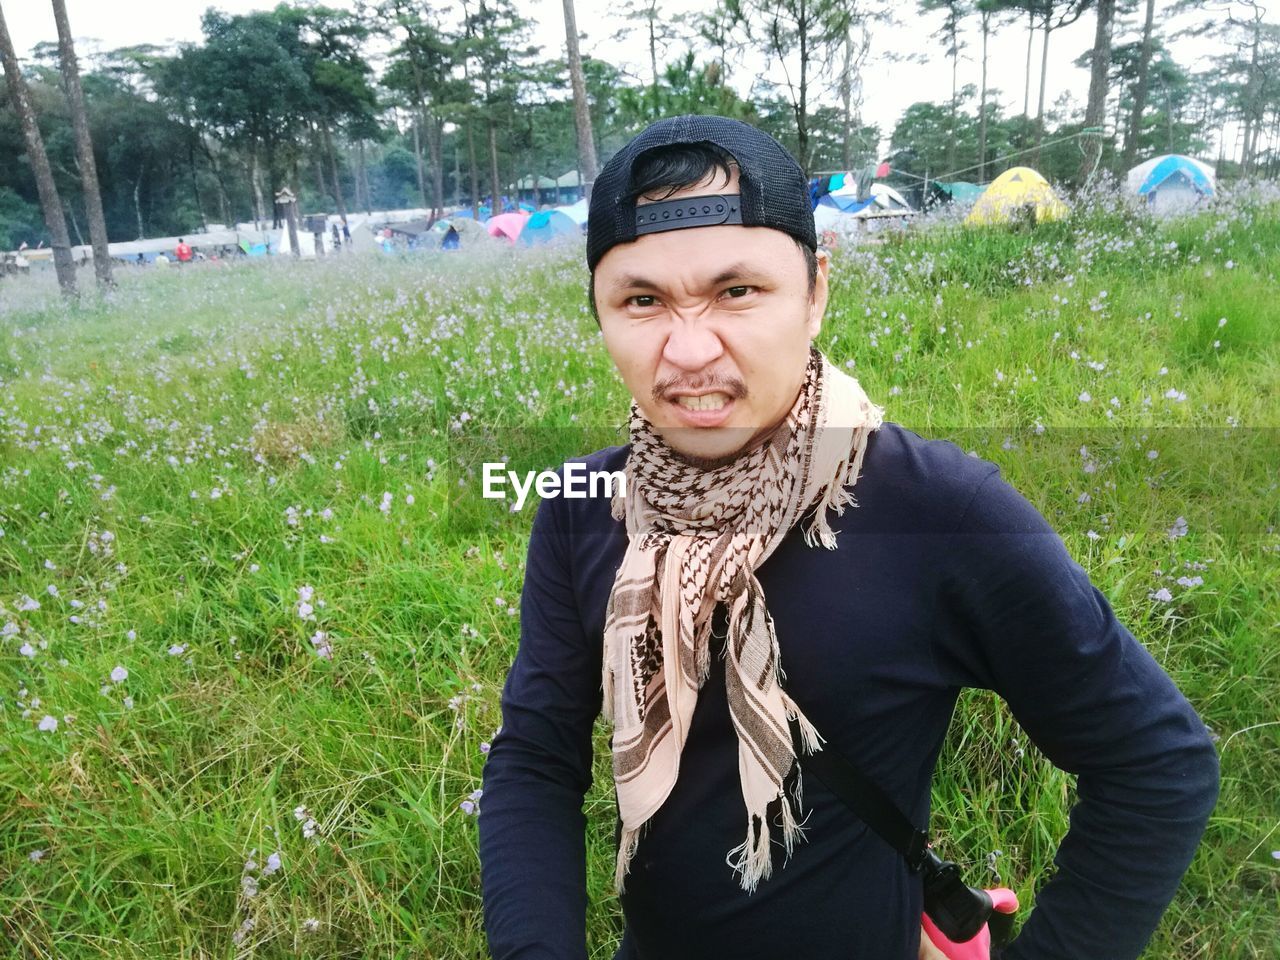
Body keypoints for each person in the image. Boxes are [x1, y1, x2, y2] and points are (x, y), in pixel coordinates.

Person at [477, 116, 1219, 960]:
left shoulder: (935, 507)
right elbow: (535, 759)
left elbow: (1158, 766)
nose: (688, 350)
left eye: (737, 292)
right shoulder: (583, 505)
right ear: (600, 312)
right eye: (641, 301)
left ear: (816, 290)